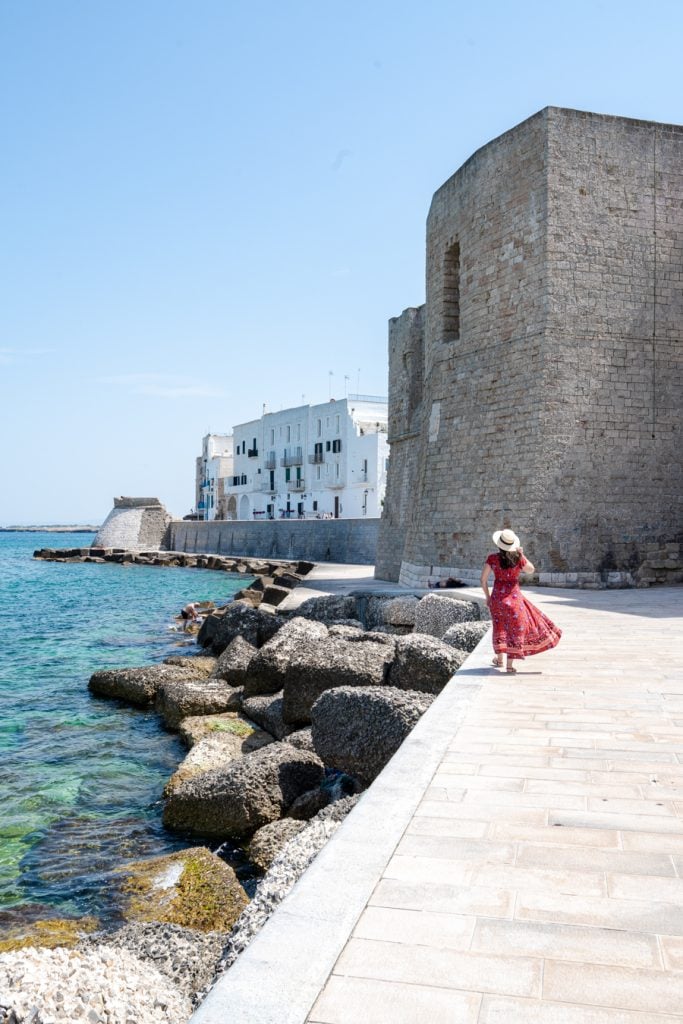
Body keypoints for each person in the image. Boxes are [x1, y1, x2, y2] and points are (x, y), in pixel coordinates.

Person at [480, 528, 562, 674]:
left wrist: (487, 597)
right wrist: (522, 554)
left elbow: (483, 580)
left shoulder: (492, 558)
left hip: (497, 599)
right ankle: (509, 665)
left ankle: (499, 659)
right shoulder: (518, 558)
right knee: (514, 629)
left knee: (499, 627)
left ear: (499, 545)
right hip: (514, 599)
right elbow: (531, 570)